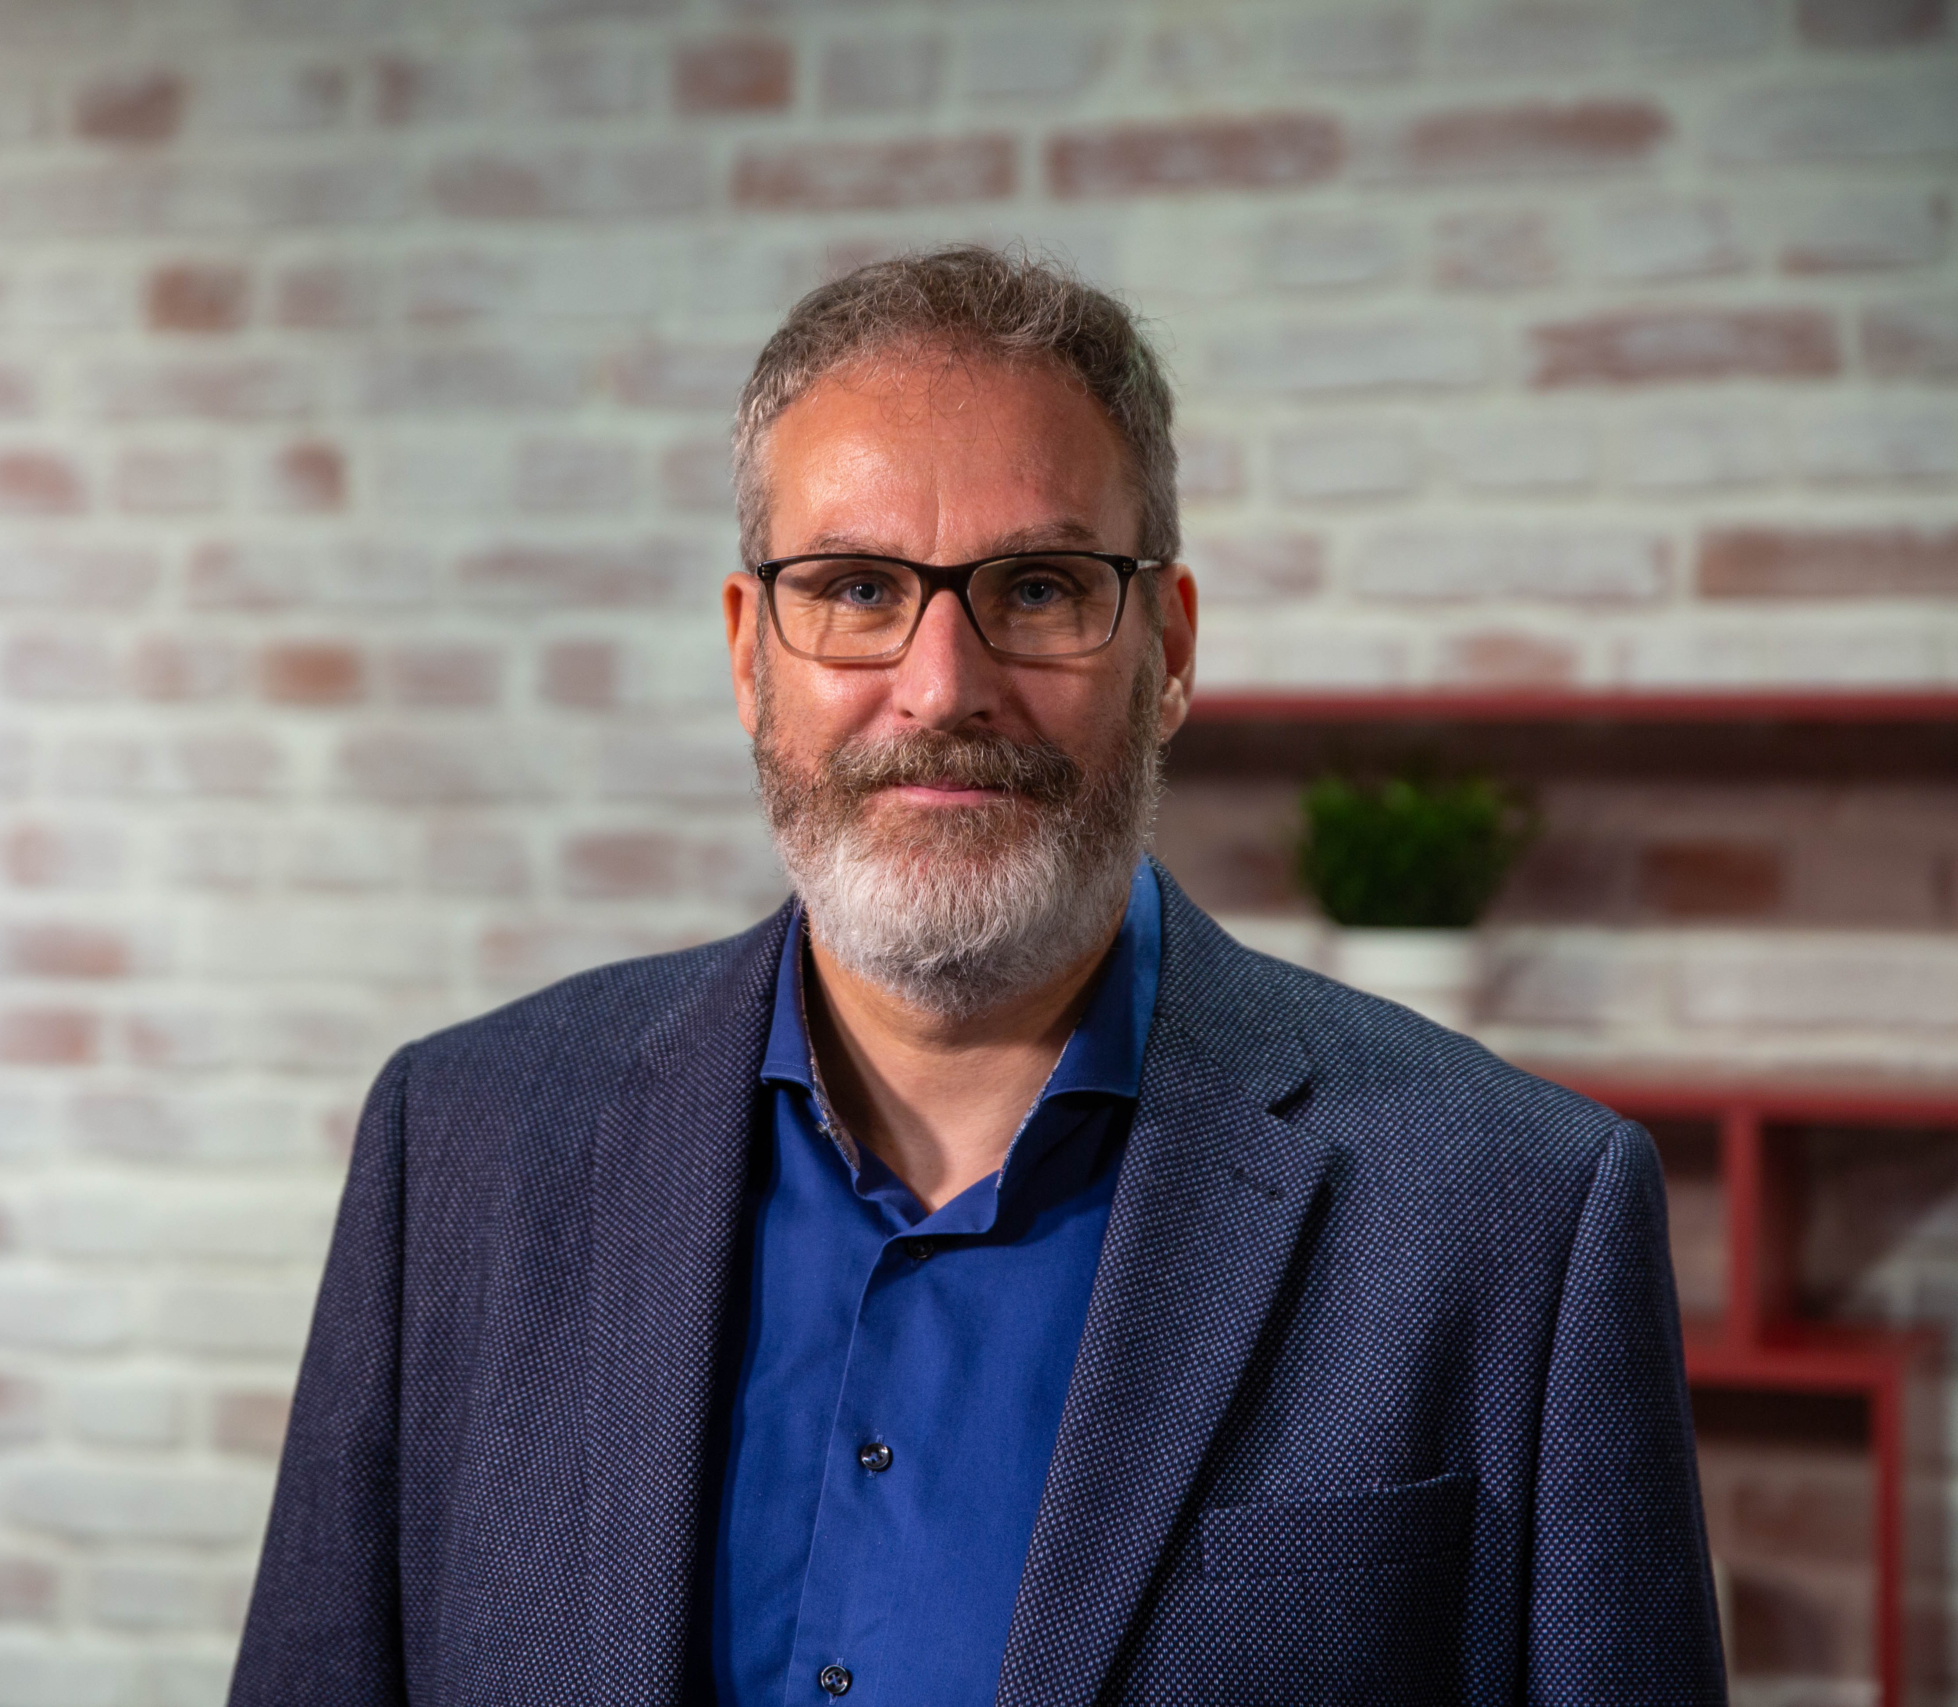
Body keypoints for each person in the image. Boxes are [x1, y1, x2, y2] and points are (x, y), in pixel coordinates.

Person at [228, 247, 1723, 1706]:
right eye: (859, 589)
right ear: (750, 653)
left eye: (1041, 588)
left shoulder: (1514, 1217)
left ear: (1171, 649)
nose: (943, 686)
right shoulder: (463, 1149)